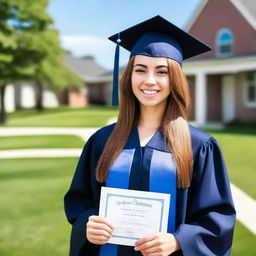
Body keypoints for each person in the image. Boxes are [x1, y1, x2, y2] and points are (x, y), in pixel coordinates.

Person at [64, 15, 236, 256]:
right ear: (129, 76)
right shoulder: (102, 140)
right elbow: (79, 200)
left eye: (162, 72)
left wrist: (178, 241)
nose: (150, 80)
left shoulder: (199, 145)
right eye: (140, 70)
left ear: (175, 79)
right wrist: (87, 223)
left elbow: (217, 218)